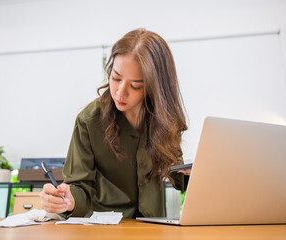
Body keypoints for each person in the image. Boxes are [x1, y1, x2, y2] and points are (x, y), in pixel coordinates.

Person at [39, 28, 189, 219]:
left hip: (152, 225)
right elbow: (79, 188)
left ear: (154, 88)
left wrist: (191, 173)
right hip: (105, 227)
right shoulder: (89, 121)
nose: (119, 92)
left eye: (135, 85)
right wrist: (68, 200)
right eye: (116, 78)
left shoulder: (165, 118)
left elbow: (178, 175)